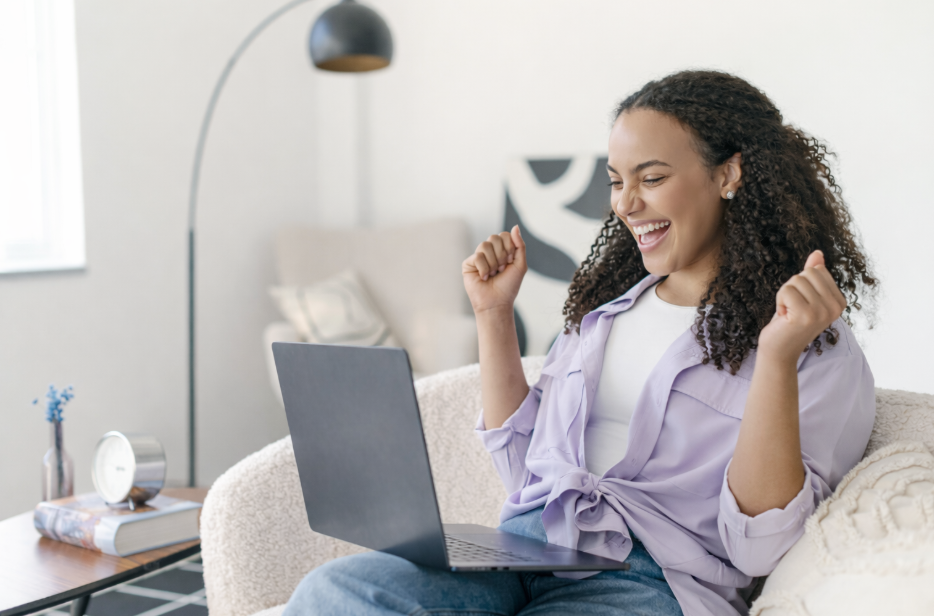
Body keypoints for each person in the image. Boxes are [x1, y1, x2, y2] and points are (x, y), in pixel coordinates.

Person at [283, 70, 878, 616]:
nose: (625, 203)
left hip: (648, 579)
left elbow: (762, 548)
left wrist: (774, 358)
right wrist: (494, 316)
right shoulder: (605, 316)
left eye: (652, 178)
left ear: (728, 173)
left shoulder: (812, 347)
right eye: (618, 182)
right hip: (524, 547)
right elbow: (524, 472)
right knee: (333, 592)